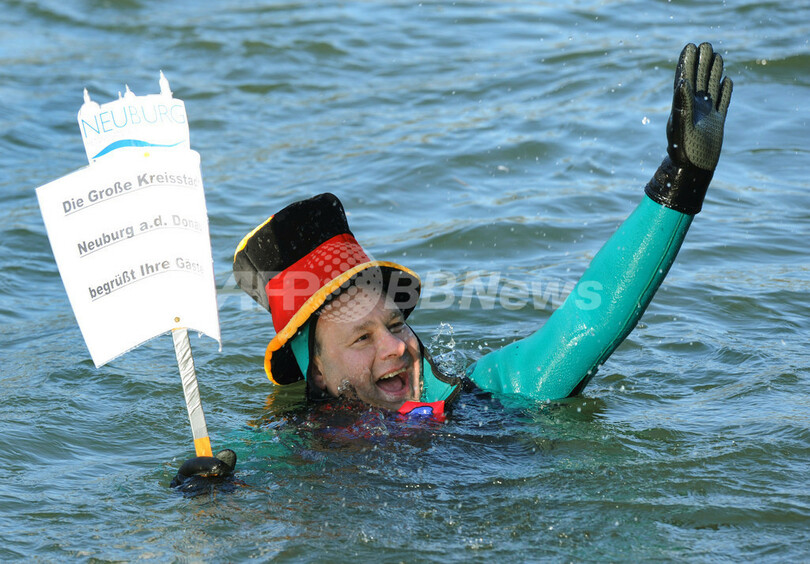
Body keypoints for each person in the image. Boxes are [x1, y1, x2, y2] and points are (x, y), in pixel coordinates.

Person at [172, 42, 733, 487]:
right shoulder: (285, 456)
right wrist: (201, 495)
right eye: (362, 338)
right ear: (316, 370)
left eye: (394, 324)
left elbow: (587, 321)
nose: (395, 348)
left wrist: (681, 180)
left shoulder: (486, 397)